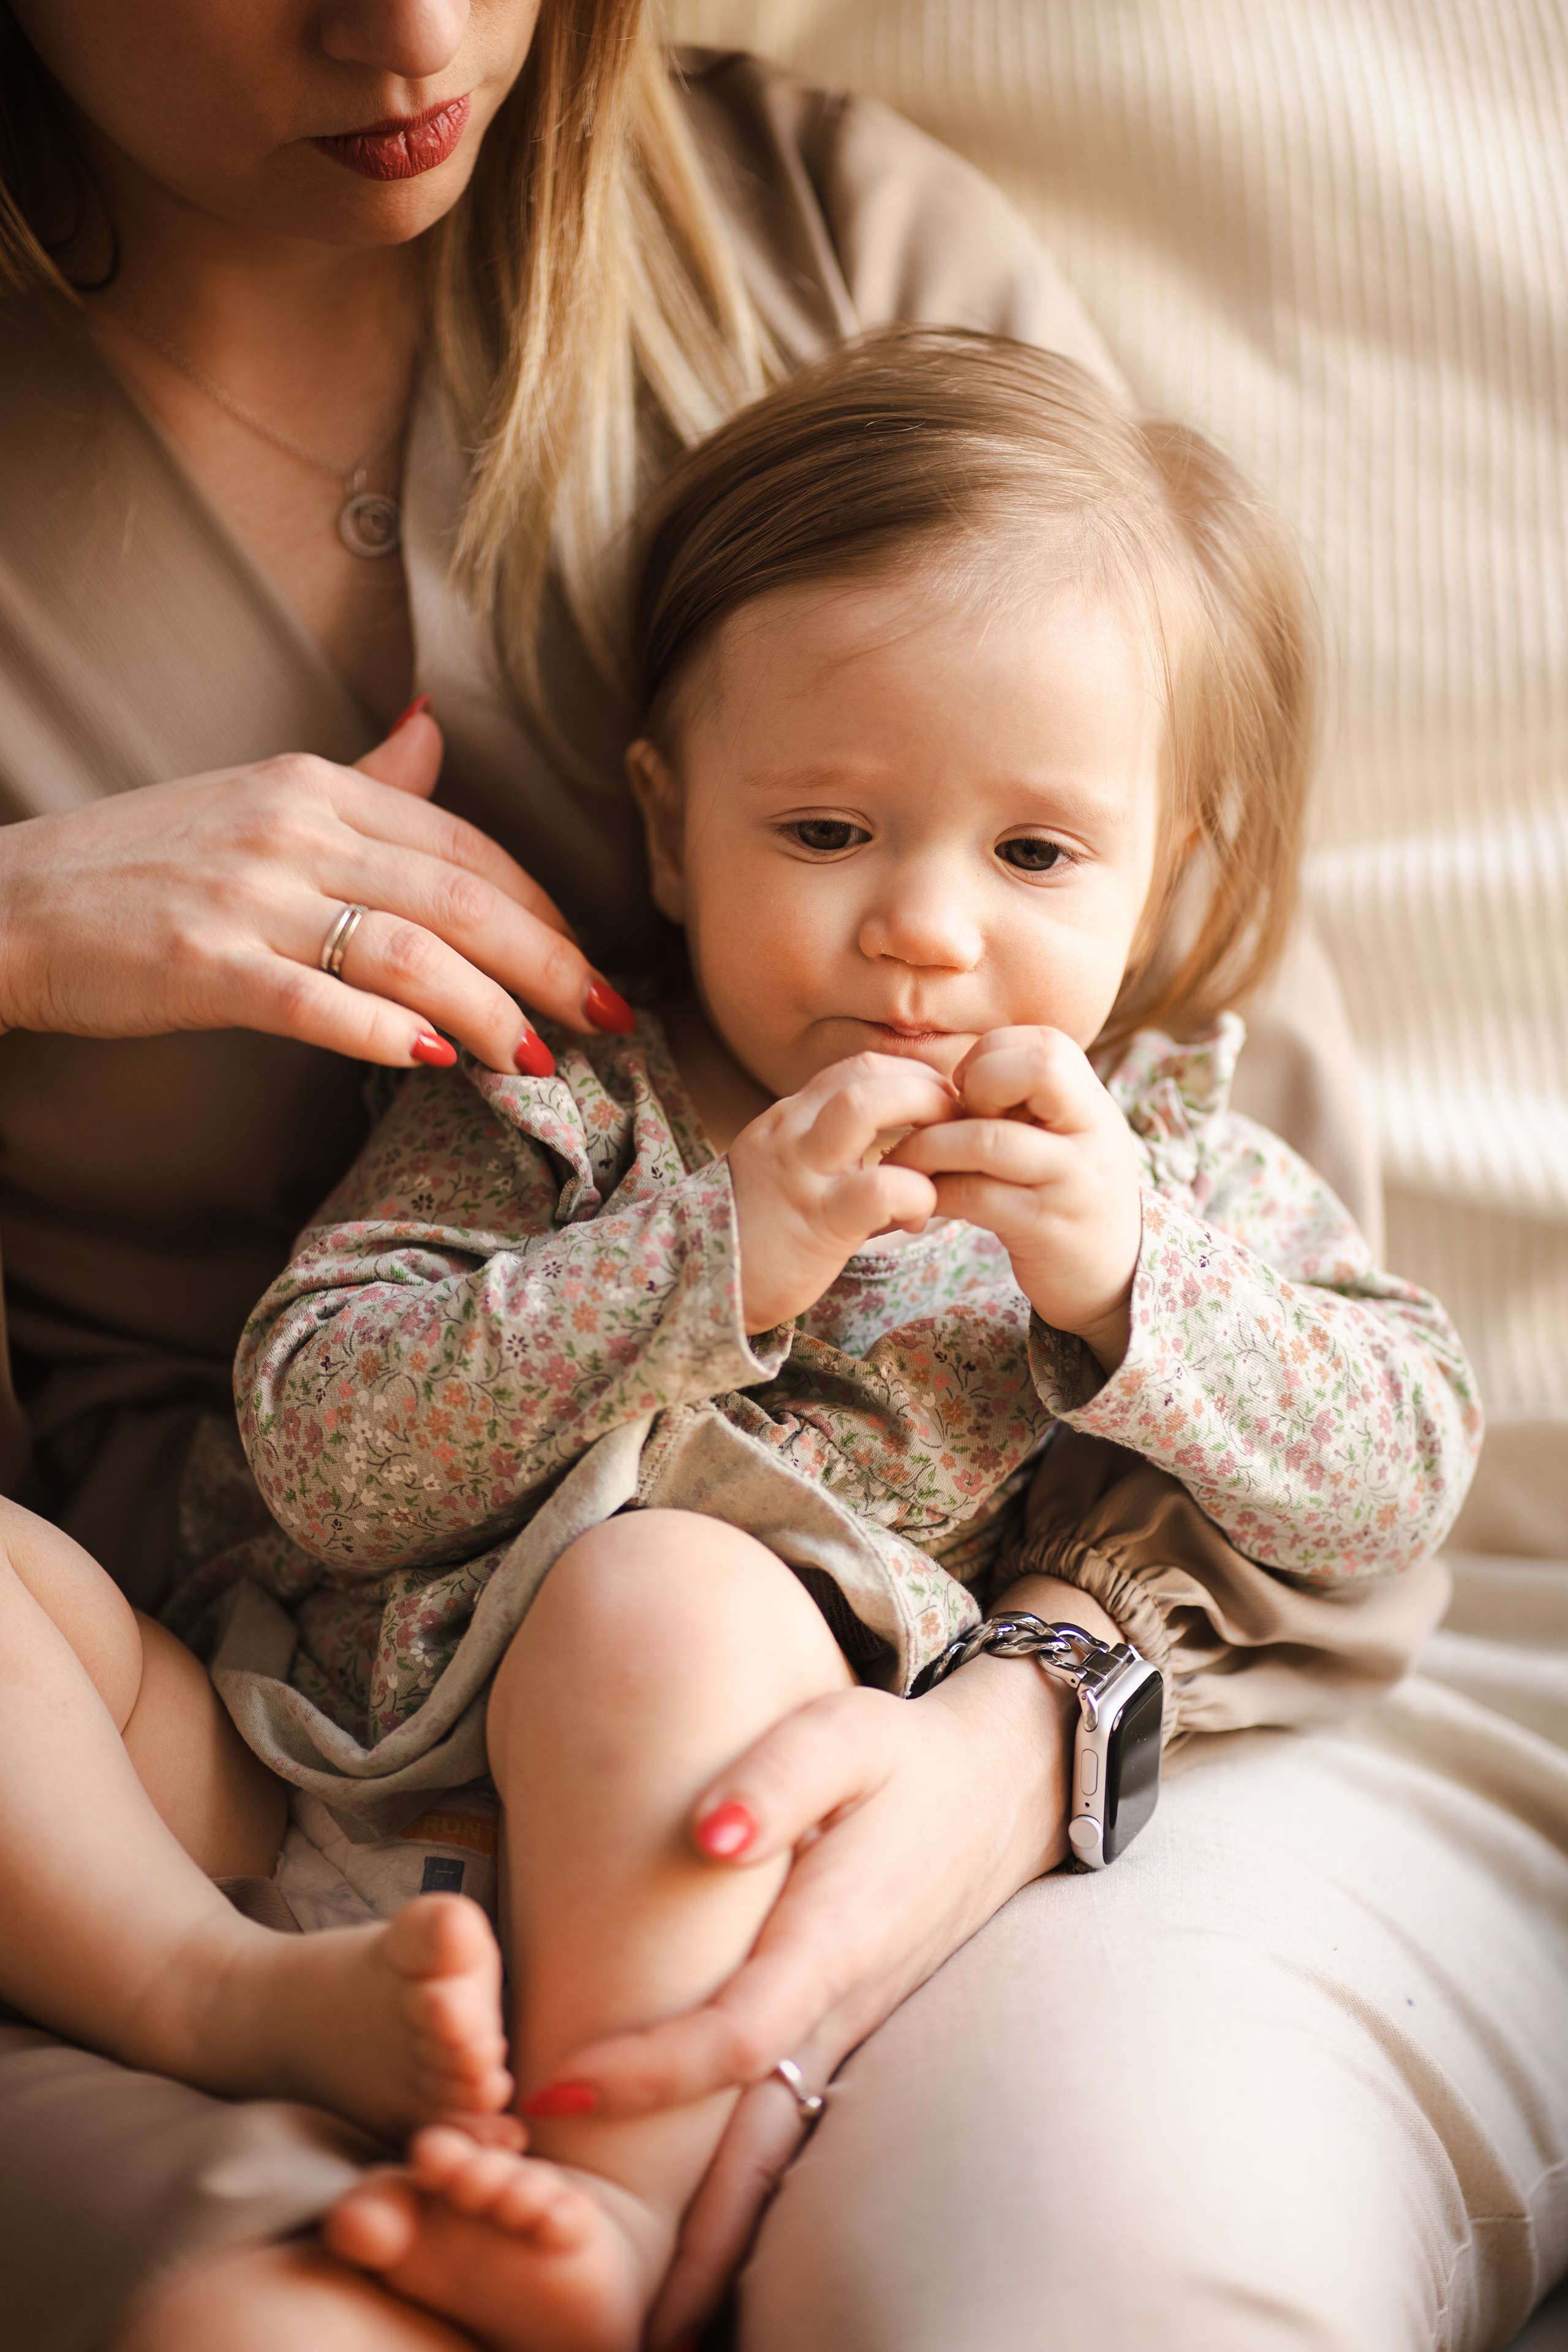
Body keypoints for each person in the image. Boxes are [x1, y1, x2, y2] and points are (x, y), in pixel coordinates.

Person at [1, 7, 1564, 2352]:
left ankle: (609, 2213)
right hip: (316, 1766)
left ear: (1169, 875)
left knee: (660, 1610)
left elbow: (1388, 1476)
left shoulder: (1146, 1156)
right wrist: (702, 1258)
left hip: (793, 1799)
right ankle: (230, 2003)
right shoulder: (558, 1099)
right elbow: (321, 1447)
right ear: (657, 821)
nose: (924, 926)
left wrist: (1136, 1304)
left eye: (1036, 853)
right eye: (825, 833)